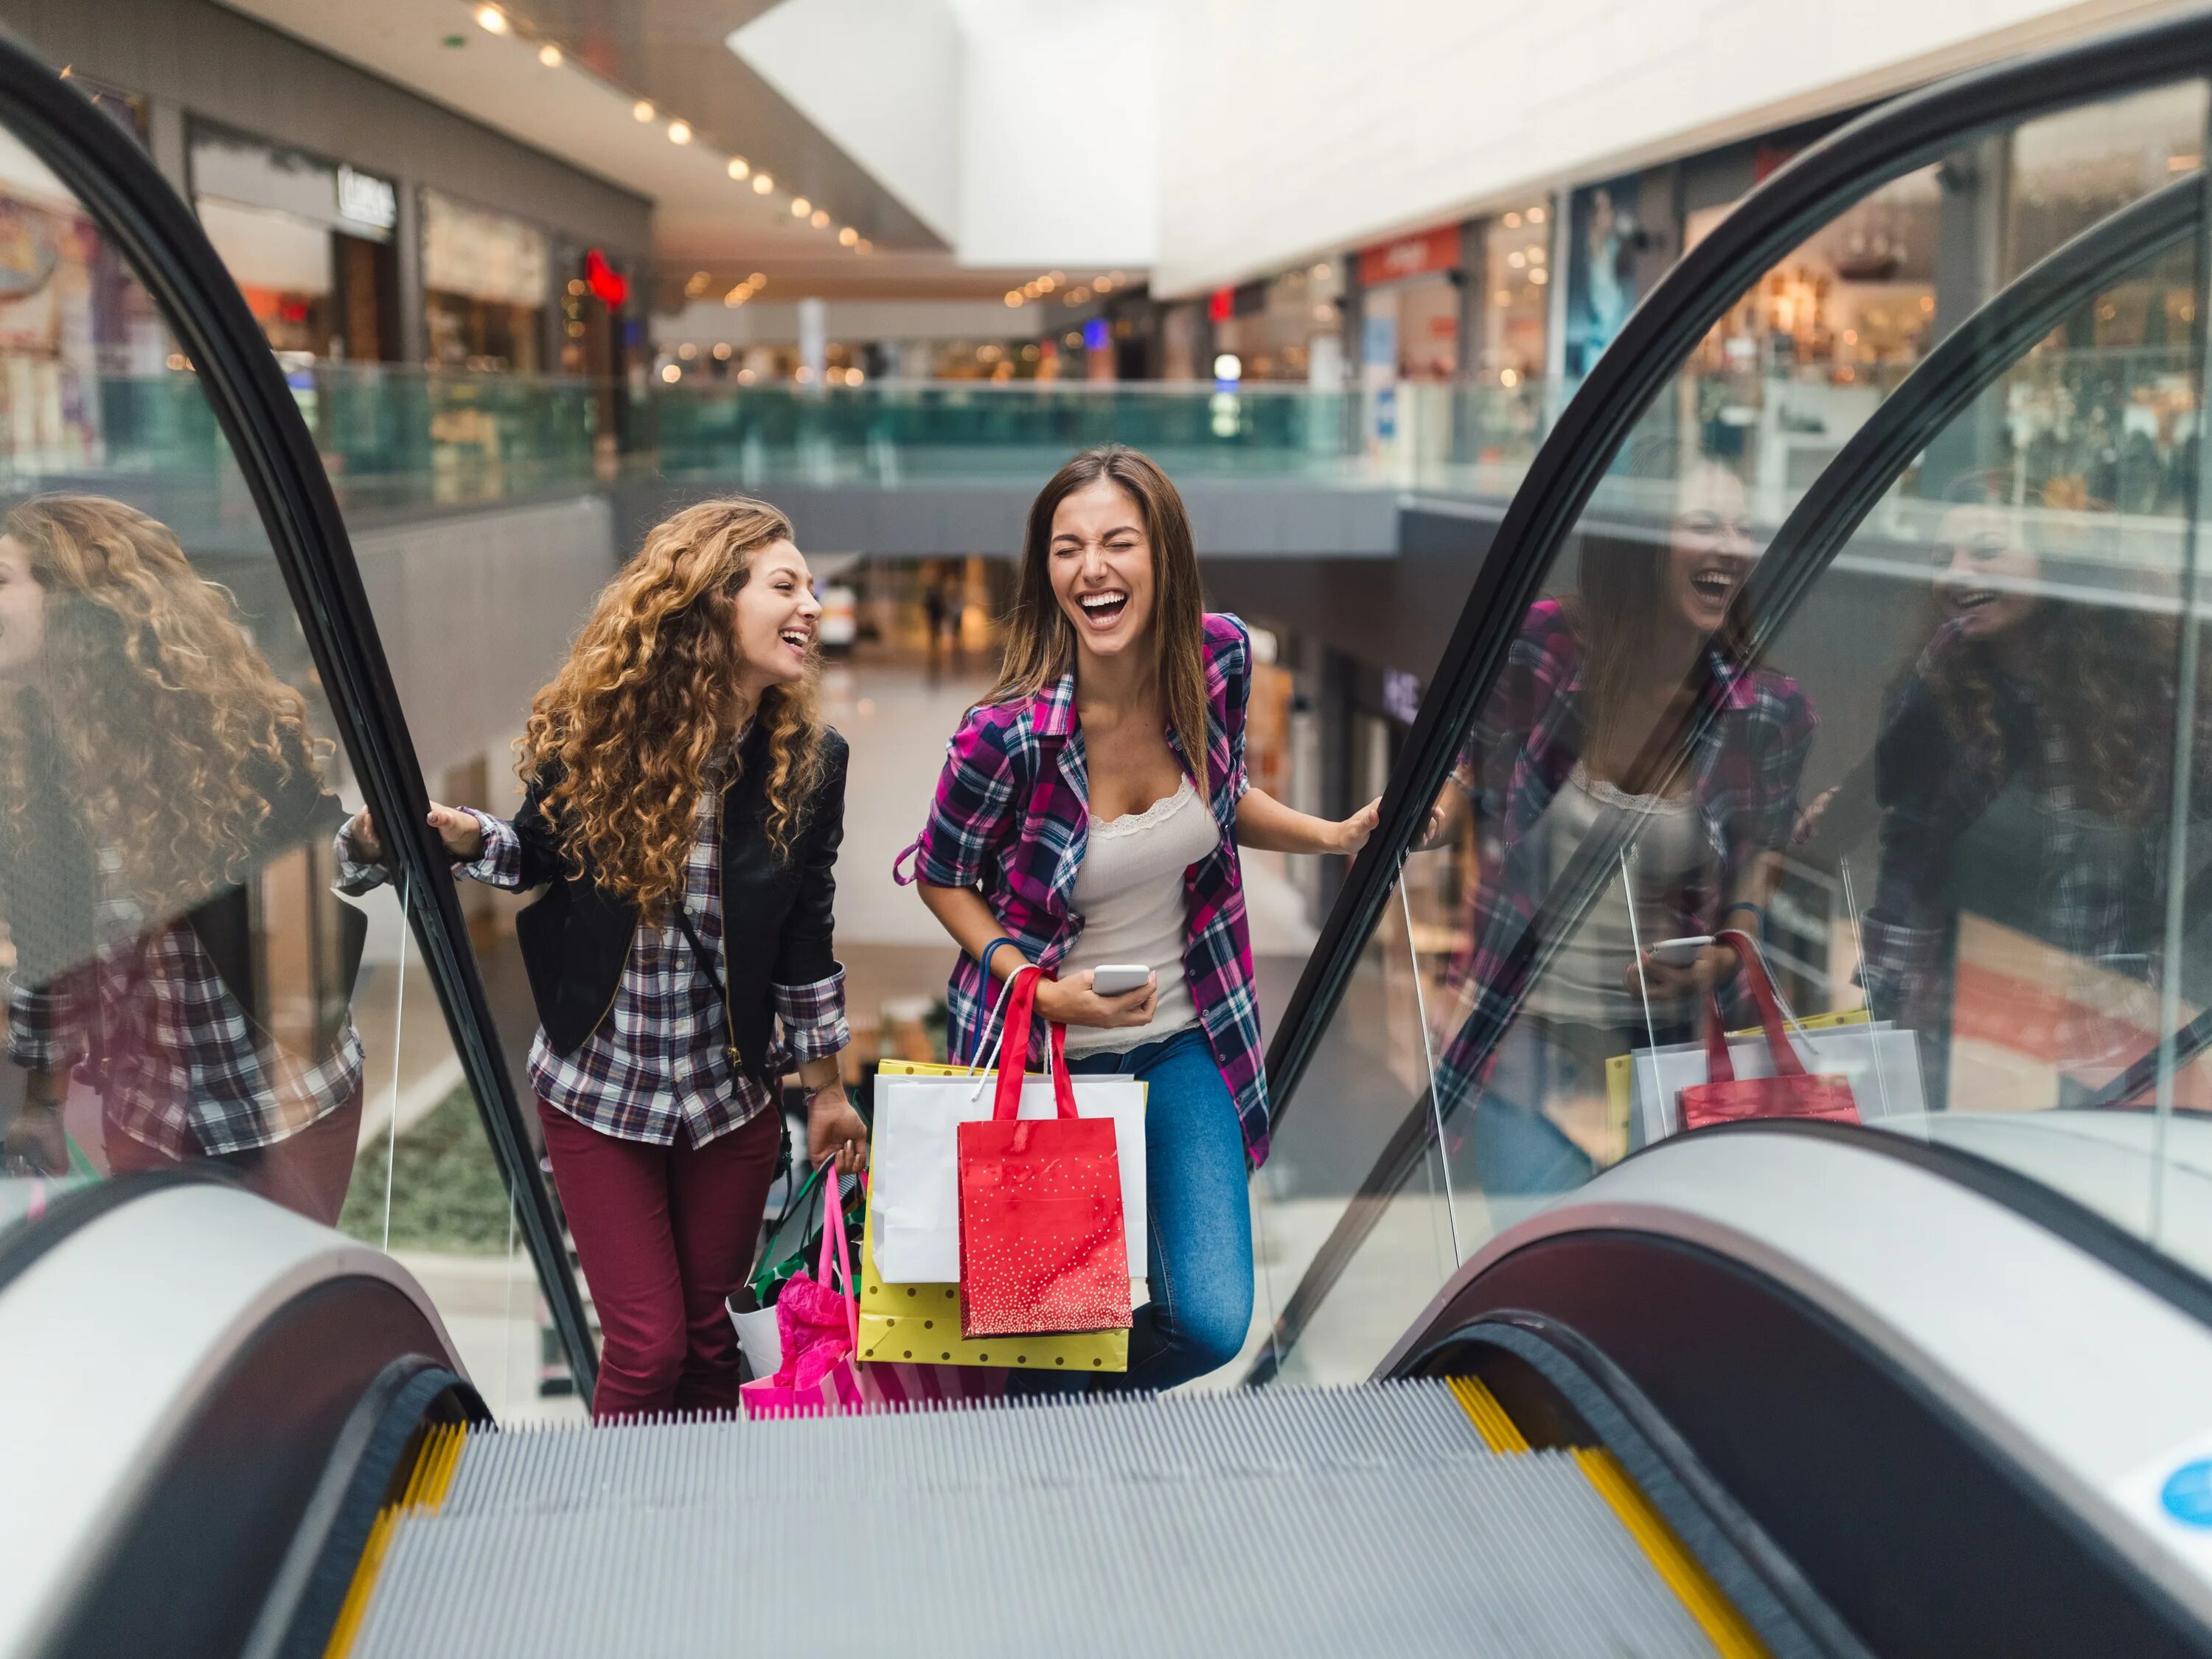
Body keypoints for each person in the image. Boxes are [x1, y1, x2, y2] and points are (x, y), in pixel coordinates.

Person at [344, 497, 866, 1421]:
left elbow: (803, 936)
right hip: (601, 1092)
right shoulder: (603, 730)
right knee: (649, 1343)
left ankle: (695, 1531)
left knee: (713, 1343)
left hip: (728, 1101)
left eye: (812, 589)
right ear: (709, 599)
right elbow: (540, 855)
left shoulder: (810, 761)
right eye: (785, 585)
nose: (813, 607)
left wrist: (826, 1089)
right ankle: (607, 1525)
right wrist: (469, 840)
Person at [900, 445, 1383, 1391]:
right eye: (1068, 547)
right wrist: (1036, 990)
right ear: (1046, 572)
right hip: (1042, 1061)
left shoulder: (1219, 662)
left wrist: (1334, 838)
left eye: (1119, 542)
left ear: (1164, 556)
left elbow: (1221, 793)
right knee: (1042, 1335)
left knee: (1207, 1322)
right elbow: (941, 877)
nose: (1094, 569)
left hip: (1183, 1039)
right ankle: (1046, 1443)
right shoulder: (1006, 737)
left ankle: (1055, 1405)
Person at [1428, 458, 1816, 1190]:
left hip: (1674, 1055)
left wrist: (1733, 947)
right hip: (1528, 1045)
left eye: (1743, 529)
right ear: (1642, 547)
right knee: (1537, 1268)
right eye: (1704, 525)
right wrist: (1428, 816)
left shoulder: (1768, 711)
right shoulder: (1547, 647)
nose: (1730, 547)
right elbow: (1466, 762)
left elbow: (1759, 854)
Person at [0, 495, 367, 1222]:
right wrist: (40, 1099)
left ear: (75, 598)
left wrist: (378, 842)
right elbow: (49, 949)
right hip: (143, 1118)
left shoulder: (220, 731)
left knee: (275, 1317)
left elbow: (326, 856)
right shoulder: (25, 762)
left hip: (282, 1105)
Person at [1863, 487, 2183, 1106]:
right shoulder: (1939, 693)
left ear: (2052, 558)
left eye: (1985, 551)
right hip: (1975, 1030)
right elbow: (1905, 845)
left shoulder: (2139, 690)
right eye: (1942, 558)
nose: (1956, 573)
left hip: (2106, 1029)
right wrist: (1886, 1001)